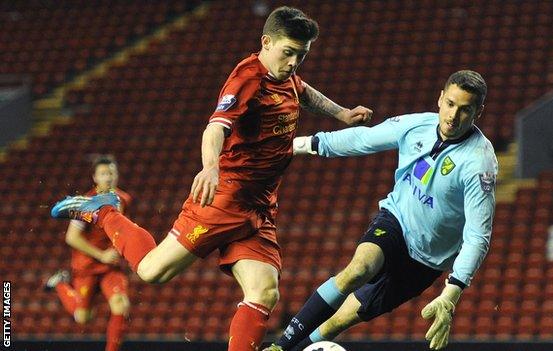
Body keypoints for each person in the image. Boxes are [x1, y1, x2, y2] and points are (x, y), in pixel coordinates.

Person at [50, 6, 373, 351]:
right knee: (151, 272)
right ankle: (103, 212)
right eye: (288, 53)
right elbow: (215, 127)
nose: (294, 62)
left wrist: (341, 112)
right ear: (266, 42)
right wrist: (210, 167)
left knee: (264, 290)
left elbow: (303, 91)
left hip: (259, 208)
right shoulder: (246, 79)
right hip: (224, 199)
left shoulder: (286, 76)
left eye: (301, 55)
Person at [264, 70, 497, 351]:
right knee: (358, 269)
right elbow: (363, 139)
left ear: (478, 113)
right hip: (396, 221)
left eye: (465, 110)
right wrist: (296, 146)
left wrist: (452, 291)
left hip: (426, 261)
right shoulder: (416, 126)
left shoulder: (478, 164)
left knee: (338, 322)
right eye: (450, 104)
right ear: (440, 99)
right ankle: (278, 347)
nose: (452, 116)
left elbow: (477, 235)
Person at [45, 156, 131, 351]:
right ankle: (59, 282)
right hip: (87, 266)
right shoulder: (86, 203)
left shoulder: (124, 200)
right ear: (95, 177)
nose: (107, 178)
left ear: (116, 175)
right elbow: (72, 237)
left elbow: (121, 229)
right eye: (103, 174)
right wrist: (101, 255)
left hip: (110, 267)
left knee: (121, 304)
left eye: (111, 173)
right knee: (83, 318)